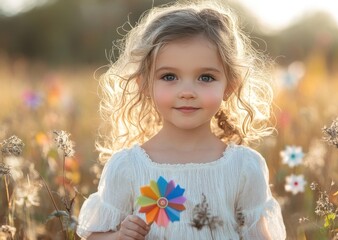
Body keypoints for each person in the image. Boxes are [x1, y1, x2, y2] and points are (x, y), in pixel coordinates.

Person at [76, 1, 286, 239]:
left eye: (205, 77)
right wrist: (119, 236)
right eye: (169, 76)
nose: (187, 91)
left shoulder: (245, 167)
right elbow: (94, 236)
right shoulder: (127, 167)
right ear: (144, 84)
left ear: (230, 85)